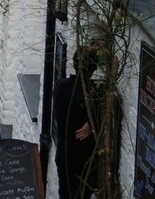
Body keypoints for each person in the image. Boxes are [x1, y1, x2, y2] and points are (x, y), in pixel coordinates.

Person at [52, 47, 99, 199]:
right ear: (94, 68)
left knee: (65, 194)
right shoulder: (95, 94)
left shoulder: (60, 85)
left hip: (64, 154)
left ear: (74, 64)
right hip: (84, 159)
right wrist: (92, 125)